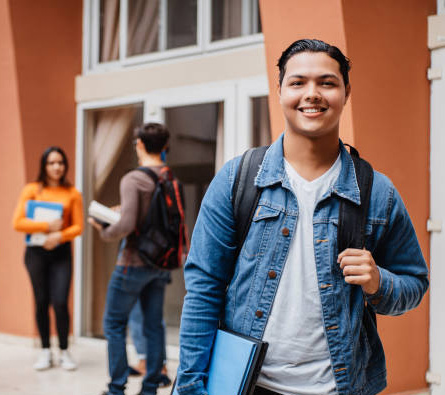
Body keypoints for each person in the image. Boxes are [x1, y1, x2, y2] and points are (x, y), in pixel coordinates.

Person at [175, 39, 429, 395]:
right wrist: (190, 386)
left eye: (327, 82)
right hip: (248, 385)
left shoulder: (377, 192)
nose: (312, 94)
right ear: (279, 90)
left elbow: (415, 283)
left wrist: (377, 282)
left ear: (346, 91)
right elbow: (203, 290)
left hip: (342, 386)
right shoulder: (238, 179)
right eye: (298, 83)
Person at [89, 122, 172, 395]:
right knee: (153, 324)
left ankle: (116, 387)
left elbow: (125, 227)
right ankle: (150, 386)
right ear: (164, 147)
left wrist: (104, 229)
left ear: (139, 144)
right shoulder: (169, 178)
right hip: (160, 264)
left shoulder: (133, 179)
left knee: (113, 323)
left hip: (133, 263)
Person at [13, 146, 83, 371]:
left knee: (60, 302)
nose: (56, 167)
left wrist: (58, 235)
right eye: (52, 163)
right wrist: (46, 226)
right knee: (41, 301)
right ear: (44, 165)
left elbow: (78, 227)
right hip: (36, 253)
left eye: (60, 163)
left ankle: (64, 350)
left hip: (61, 253)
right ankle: (45, 350)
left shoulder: (73, 193)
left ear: (65, 166)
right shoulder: (32, 190)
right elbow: (18, 222)